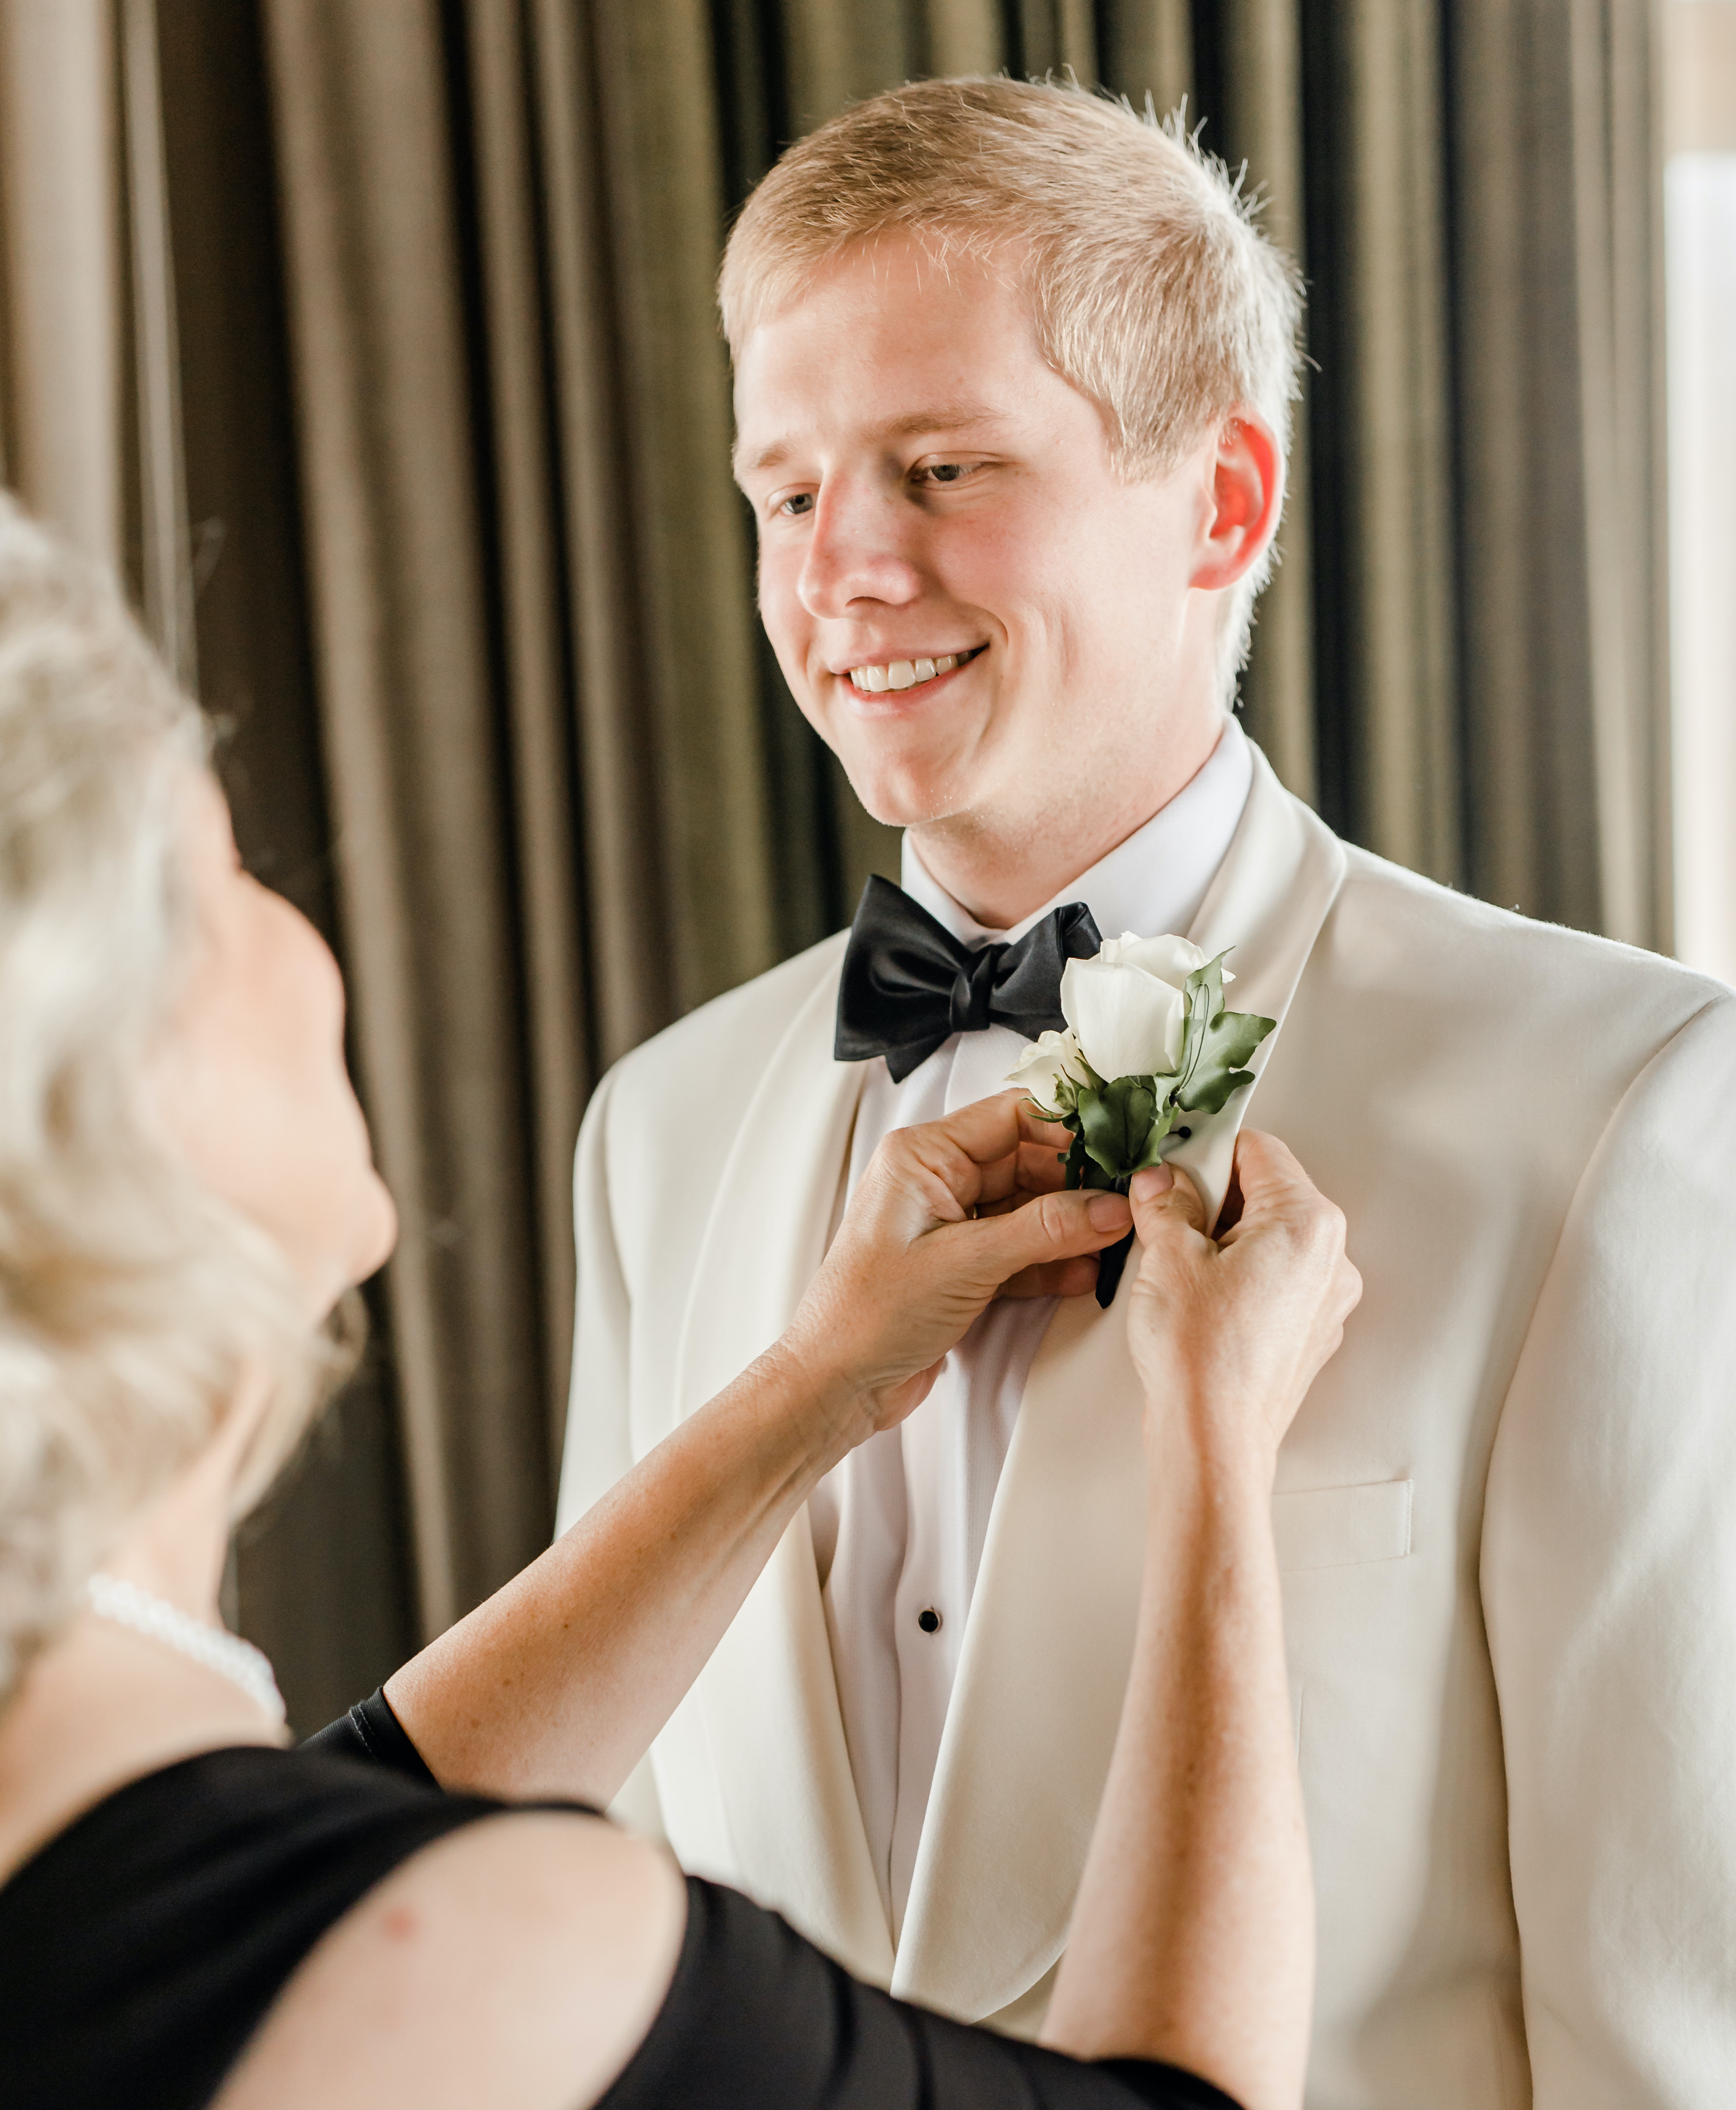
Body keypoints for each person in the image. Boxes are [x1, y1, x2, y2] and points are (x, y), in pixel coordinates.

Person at [556, 75, 1736, 2110]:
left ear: (1222, 503)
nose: (840, 571)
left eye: (939, 467)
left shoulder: (1613, 1105)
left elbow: (1663, 2019)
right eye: (784, 488)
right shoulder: (657, 1132)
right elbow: (603, 1903)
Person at [0, 498, 1361, 2110]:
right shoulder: (507, 1951)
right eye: (220, 874)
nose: (298, 931)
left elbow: (285, 1850)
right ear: (96, 1081)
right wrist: (1214, 1453)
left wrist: (818, 1384)